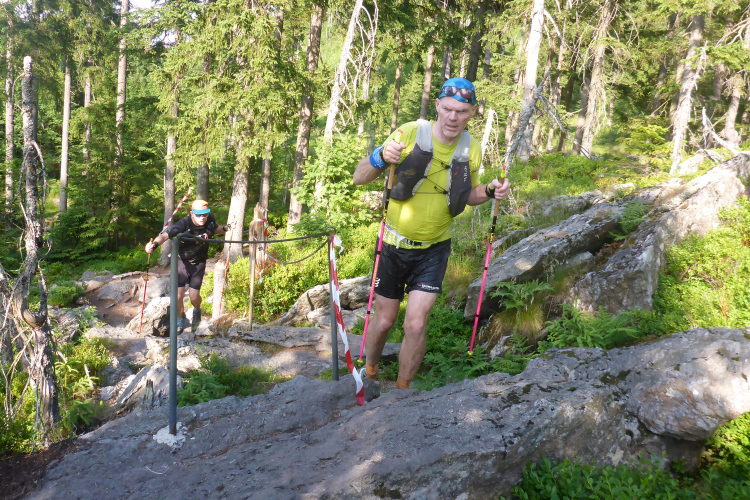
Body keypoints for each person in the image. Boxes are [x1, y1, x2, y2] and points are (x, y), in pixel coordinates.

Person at [352, 77, 511, 389]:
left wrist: (490, 191)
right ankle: (370, 373)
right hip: (393, 243)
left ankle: (402, 392)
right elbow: (359, 177)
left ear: (472, 112)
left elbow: (466, 195)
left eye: (461, 111)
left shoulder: (471, 148)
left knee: (415, 324)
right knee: (384, 320)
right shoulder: (410, 132)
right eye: (448, 109)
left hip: (434, 249)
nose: (453, 117)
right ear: (437, 105)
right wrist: (381, 156)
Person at [145, 199, 232, 332]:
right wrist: (153, 245)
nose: (202, 218)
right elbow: (165, 236)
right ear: (192, 213)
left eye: (205, 214)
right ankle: (179, 320)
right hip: (181, 263)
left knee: (194, 296)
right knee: (178, 296)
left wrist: (226, 228)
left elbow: (215, 229)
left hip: (199, 263)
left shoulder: (210, 219)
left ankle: (197, 311)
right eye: (198, 215)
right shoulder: (184, 223)